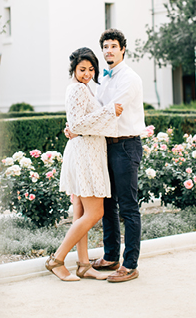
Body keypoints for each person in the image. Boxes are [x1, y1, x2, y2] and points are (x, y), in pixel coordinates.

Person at [46, 47, 122, 281]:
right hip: (85, 155)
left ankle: (83, 264)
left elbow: (77, 124)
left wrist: (80, 126)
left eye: (91, 69)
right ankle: (57, 260)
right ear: (74, 69)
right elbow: (78, 124)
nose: (87, 73)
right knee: (94, 212)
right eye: (82, 69)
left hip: (84, 151)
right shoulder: (78, 88)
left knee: (79, 210)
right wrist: (109, 112)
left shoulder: (83, 88)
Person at [87, 29, 146, 283]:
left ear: (123, 49)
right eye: (105, 47)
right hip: (106, 146)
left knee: (128, 208)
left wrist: (83, 123)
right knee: (108, 204)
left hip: (125, 146)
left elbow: (112, 112)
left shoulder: (129, 78)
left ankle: (130, 264)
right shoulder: (104, 78)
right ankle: (111, 256)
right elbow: (97, 109)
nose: (108, 50)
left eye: (113, 46)